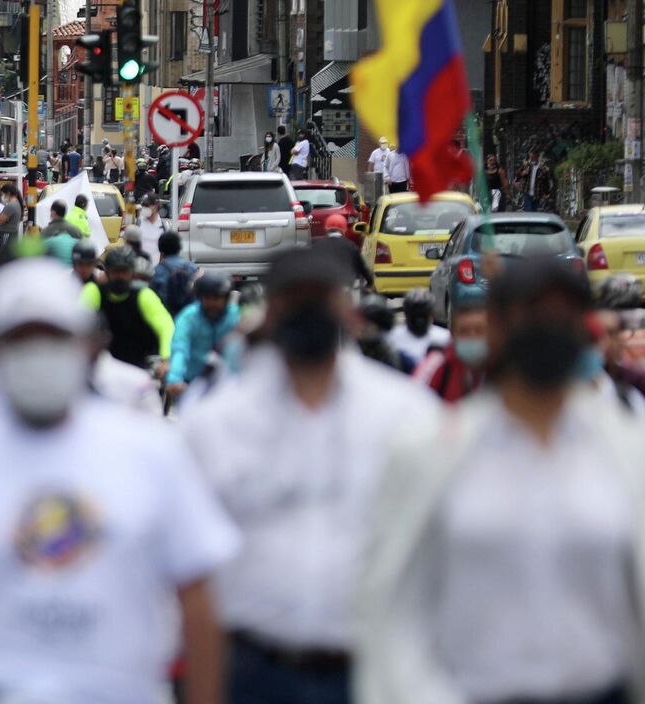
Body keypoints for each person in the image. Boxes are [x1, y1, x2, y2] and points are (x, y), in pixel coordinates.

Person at [0, 258, 238, 704]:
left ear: (87, 344)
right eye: (21, 340)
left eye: (53, 337)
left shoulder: (153, 455)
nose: (38, 354)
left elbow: (198, 600)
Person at [359, 258, 645, 704]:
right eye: (531, 313)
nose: (546, 328)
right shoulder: (432, 452)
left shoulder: (626, 449)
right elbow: (393, 607)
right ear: (497, 329)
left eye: (562, 315)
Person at [182, 247, 439, 704]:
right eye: (295, 299)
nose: (310, 313)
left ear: (347, 308)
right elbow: (192, 569)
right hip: (254, 669)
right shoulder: (218, 424)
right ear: (270, 312)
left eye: (322, 298)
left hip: (372, 671)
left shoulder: (405, 416)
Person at [80, 246, 174, 372]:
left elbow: (166, 326)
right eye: (115, 272)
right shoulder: (94, 291)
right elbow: (77, 322)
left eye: (124, 271)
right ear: (107, 273)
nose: (120, 276)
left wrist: (166, 359)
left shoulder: (144, 295)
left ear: (131, 273)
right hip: (102, 369)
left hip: (139, 368)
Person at [166, 273, 240, 406]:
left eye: (217, 298)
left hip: (226, 382)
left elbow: (242, 347)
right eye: (207, 298)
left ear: (226, 298)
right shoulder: (188, 317)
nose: (212, 303)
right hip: (192, 382)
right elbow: (180, 348)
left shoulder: (235, 316)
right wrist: (175, 379)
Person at [412, 294, 489, 402]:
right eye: (464, 331)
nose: (472, 337)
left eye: (479, 330)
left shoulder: (512, 372)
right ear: (453, 335)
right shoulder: (437, 368)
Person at [386, 289, 449, 369]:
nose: (419, 321)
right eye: (415, 316)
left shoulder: (444, 338)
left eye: (423, 316)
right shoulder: (391, 338)